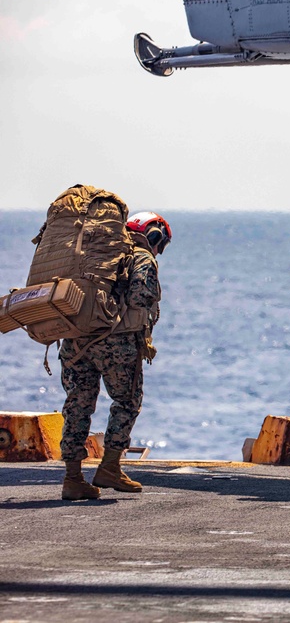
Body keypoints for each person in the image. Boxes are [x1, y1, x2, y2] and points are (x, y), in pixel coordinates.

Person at [60, 211, 170, 501]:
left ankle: (72, 478)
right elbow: (140, 297)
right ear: (154, 235)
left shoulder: (95, 253)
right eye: (162, 243)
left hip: (75, 342)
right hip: (115, 343)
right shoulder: (143, 258)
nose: (160, 250)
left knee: (77, 405)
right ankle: (109, 467)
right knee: (127, 401)